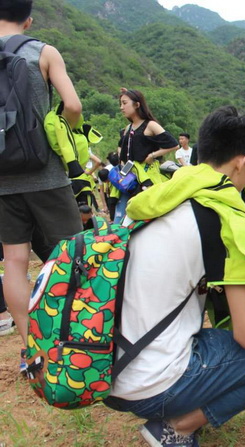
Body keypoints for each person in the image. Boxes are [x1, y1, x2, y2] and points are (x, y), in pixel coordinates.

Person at [104, 106, 245, 446]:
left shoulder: (154, 201)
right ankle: (180, 426)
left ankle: (173, 407)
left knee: (214, 335)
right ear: (242, 162)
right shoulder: (224, 217)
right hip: (154, 384)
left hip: (107, 371)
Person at [0, 0, 83, 374]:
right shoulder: (42, 51)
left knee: (15, 263)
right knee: (74, 255)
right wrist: (59, 131)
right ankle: (79, 340)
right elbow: (73, 105)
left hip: (1, 179)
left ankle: (32, 351)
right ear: (28, 18)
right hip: (45, 172)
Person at [115, 88, 179, 223]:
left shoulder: (150, 125)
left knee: (147, 217)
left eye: (124, 103)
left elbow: (173, 144)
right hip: (128, 178)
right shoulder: (128, 128)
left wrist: (153, 155)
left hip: (146, 176)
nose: (122, 107)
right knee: (121, 216)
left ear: (137, 105)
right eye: (120, 104)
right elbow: (121, 147)